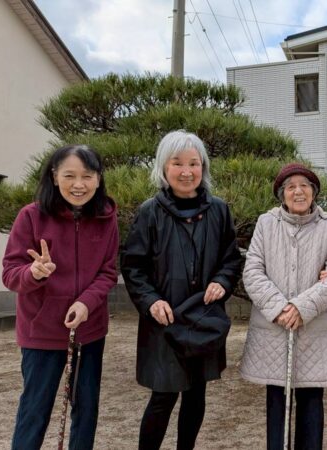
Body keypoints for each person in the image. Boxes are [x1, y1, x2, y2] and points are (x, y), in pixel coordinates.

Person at [120, 130, 241, 450]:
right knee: (163, 396)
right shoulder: (150, 211)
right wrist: (151, 301)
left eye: (194, 163)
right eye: (177, 163)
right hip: (165, 319)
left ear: (203, 167)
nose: (186, 171)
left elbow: (231, 258)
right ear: (164, 167)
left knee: (196, 393)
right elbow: (133, 266)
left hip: (203, 316)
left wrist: (222, 281)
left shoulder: (219, 210)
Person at [3, 144, 119, 450]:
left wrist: (85, 302)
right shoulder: (31, 216)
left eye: (87, 176)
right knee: (34, 411)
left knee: (86, 410)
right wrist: (34, 272)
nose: (79, 184)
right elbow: (10, 273)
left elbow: (108, 272)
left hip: (89, 330)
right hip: (41, 331)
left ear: (98, 179)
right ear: (54, 177)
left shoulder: (106, 217)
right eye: (69, 175)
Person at [240, 163, 327, 450]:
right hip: (273, 328)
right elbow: (253, 271)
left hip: (315, 327)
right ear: (282, 194)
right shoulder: (266, 223)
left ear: (314, 192)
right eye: (290, 187)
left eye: (304, 186)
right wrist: (279, 308)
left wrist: (302, 307)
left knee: (312, 401)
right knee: (276, 400)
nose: (298, 191)